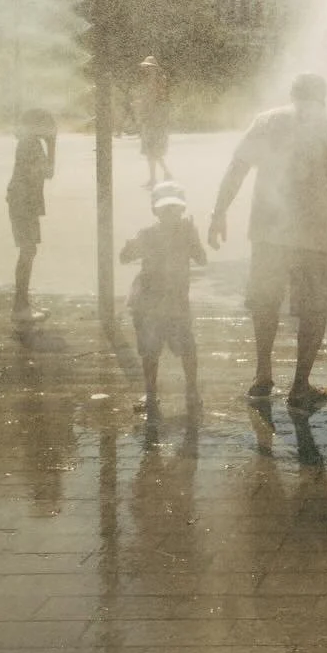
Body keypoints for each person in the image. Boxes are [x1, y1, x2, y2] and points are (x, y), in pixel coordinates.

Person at [209, 73, 327, 410]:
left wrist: (218, 213)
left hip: (269, 234)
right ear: (323, 97)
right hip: (315, 239)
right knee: (314, 309)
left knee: (265, 302)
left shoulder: (266, 123)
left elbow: (237, 168)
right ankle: (300, 387)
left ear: (293, 94)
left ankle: (262, 376)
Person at [121, 181, 206, 415]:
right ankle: (151, 394)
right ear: (155, 211)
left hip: (176, 301)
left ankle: (191, 391)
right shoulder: (147, 234)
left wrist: (194, 238)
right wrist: (131, 246)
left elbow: (202, 259)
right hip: (148, 302)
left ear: (182, 210)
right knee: (150, 350)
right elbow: (124, 257)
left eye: (174, 210)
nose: (170, 215)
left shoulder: (187, 232)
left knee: (187, 347)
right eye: (165, 210)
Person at [7, 108, 57, 324]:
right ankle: (20, 307)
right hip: (24, 202)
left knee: (28, 251)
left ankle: (23, 302)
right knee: (28, 251)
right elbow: (48, 172)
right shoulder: (30, 144)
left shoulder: (28, 142)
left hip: (23, 201)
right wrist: (52, 144)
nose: (52, 129)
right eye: (49, 124)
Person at [134, 55, 172, 189]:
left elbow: (152, 101)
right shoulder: (159, 80)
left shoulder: (155, 83)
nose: (146, 70)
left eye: (148, 68)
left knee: (151, 150)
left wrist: (143, 110)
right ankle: (162, 174)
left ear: (153, 68)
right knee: (153, 150)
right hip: (156, 120)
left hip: (153, 120)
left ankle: (156, 177)